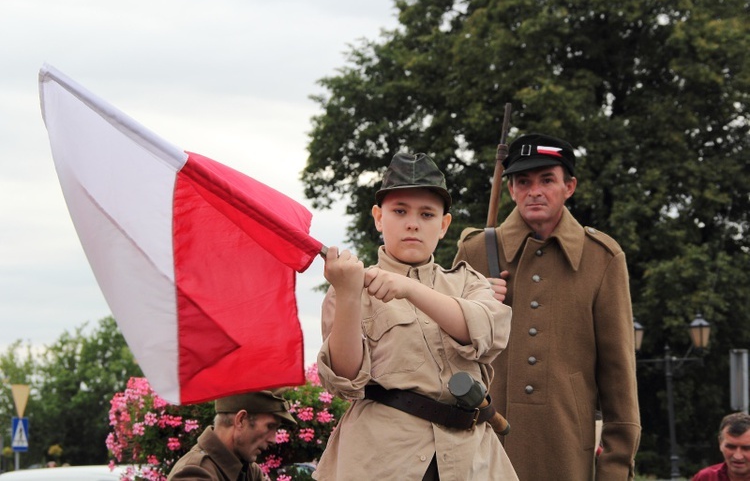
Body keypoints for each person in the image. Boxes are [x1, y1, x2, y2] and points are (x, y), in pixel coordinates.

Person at [313, 152, 518, 480]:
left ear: (443, 224)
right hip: (381, 460)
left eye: (426, 214)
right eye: (399, 211)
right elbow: (345, 379)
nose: (412, 223)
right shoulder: (349, 288)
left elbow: (488, 334)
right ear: (379, 218)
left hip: (472, 462)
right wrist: (350, 294)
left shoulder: (468, 282)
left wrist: (408, 289)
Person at [453, 133, 641, 480]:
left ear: (569, 186)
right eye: (523, 181)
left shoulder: (602, 258)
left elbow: (619, 381)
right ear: (510, 190)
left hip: (565, 454)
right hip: (481, 451)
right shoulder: (475, 251)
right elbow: (448, 357)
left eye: (547, 180)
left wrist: (615, 469)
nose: (534, 191)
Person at [167, 389, 296, 481]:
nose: (273, 439)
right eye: (270, 426)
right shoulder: (195, 473)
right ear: (241, 420)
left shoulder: (248, 470)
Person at [692, 412, 750, 481]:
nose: (737, 456)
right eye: (731, 447)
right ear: (720, 443)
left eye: (746, 448)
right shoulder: (706, 478)